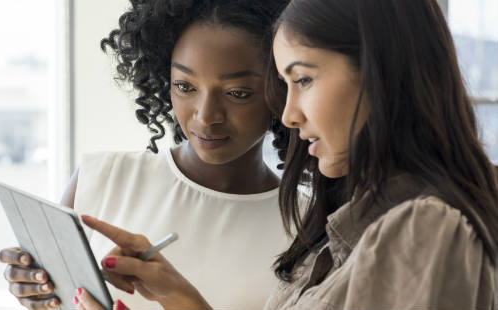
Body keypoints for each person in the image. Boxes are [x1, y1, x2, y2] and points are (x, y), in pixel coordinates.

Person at [73, 0, 498, 309]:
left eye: (304, 80)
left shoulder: (423, 228)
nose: (289, 114)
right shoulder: (344, 225)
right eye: (285, 84)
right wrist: (180, 298)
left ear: (380, 74)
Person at [0, 0, 296, 309]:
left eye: (237, 93)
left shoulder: (307, 225)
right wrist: (41, 291)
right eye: (184, 86)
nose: (206, 116)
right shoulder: (101, 179)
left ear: (284, 89)